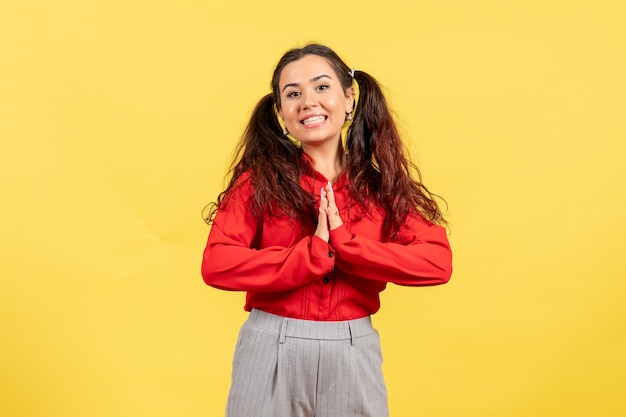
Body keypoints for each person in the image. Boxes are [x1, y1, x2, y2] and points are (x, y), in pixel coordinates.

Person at [201, 43, 452, 417]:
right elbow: (217, 263)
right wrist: (310, 253)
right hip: (271, 344)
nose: (307, 102)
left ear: (349, 98)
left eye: (321, 87)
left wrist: (348, 247)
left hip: (352, 348)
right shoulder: (258, 183)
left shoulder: (378, 188)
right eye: (293, 94)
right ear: (282, 114)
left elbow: (436, 262)